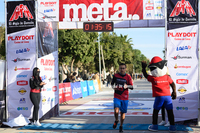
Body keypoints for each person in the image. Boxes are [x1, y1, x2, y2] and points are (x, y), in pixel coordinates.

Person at [141, 56, 176, 132]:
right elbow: (173, 84)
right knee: (170, 112)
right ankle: (172, 127)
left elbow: (146, 75)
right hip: (168, 97)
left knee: (156, 112)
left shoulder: (154, 78)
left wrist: (143, 68)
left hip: (159, 97)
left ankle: (154, 126)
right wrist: (174, 92)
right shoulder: (167, 77)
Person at [111, 63, 133, 133]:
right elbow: (112, 84)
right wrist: (113, 87)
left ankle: (121, 125)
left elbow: (132, 87)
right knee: (116, 110)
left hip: (125, 97)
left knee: (123, 112)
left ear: (125, 69)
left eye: (123, 68)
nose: (122, 69)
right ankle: (116, 120)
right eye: (120, 68)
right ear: (119, 68)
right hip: (117, 95)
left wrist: (127, 86)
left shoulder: (128, 77)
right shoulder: (115, 75)